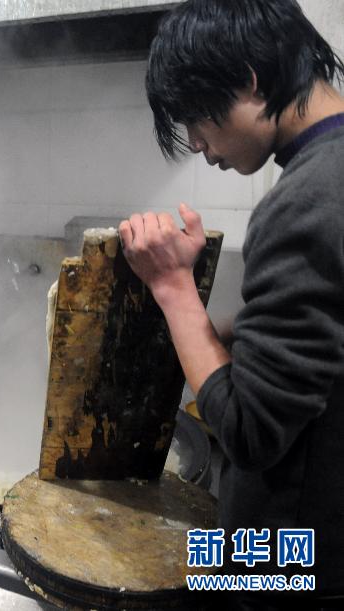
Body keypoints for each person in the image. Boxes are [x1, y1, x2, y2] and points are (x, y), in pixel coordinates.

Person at [119, 0, 344, 608]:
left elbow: (249, 433)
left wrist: (172, 288)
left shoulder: (308, 201)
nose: (196, 144)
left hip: (290, 571)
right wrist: (219, 327)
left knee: (136, 562)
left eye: (195, 118)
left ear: (247, 75)